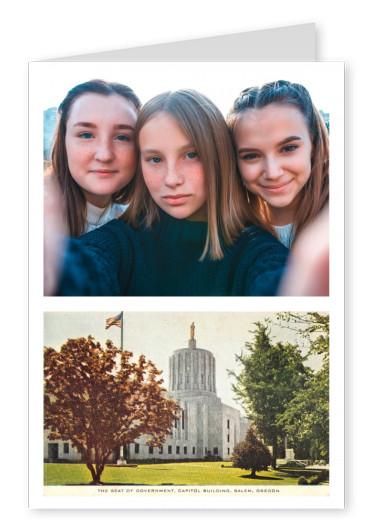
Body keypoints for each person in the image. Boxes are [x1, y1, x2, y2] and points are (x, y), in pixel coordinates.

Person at [48, 89, 289, 296]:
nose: (171, 179)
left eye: (191, 155)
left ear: (218, 157)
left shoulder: (257, 251)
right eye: (155, 159)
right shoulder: (122, 241)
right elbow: (85, 267)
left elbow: (280, 282)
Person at [227, 80, 329, 249]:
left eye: (288, 148)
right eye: (251, 155)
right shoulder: (232, 237)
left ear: (314, 145)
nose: (273, 172)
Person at [47, 79, 141, 237]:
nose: (104, 155)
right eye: (86, 135)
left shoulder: (139, 227)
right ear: (64, 142)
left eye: (122, 137)